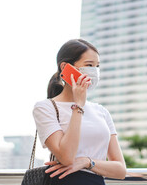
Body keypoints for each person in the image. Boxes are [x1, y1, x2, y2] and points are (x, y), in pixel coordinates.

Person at [33, 38, 126, 185]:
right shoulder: (45, 107)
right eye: (89, 65)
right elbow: (67, 157)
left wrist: (87, 162)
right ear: (65, 68)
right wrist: (79, 106)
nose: (94, 71)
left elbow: (120, 170)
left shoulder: (101, 111)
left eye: (97, 66)